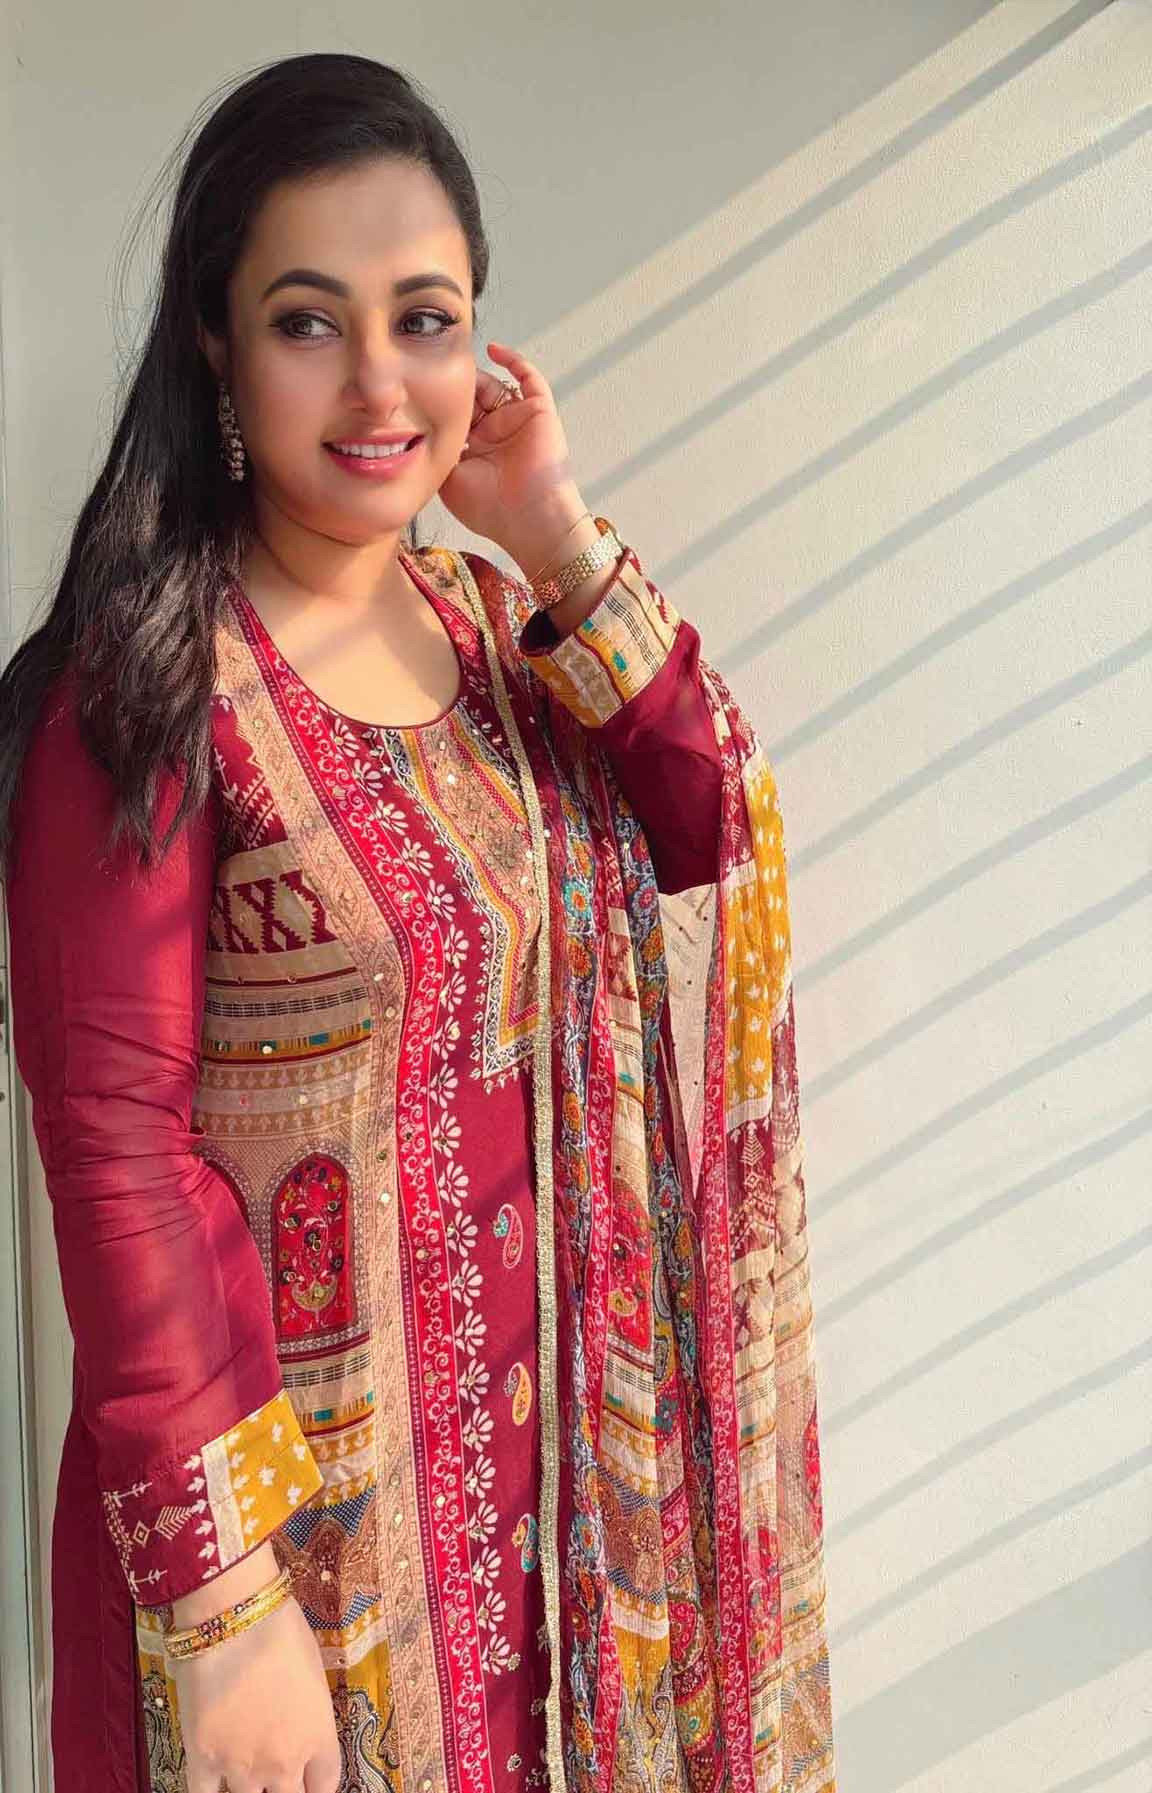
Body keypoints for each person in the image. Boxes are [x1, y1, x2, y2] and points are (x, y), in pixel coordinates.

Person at [0, 51, 835, 1793]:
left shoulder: (495, 633)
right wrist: (227, 1607)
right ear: (216, 346)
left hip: (553, 1546)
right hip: (287, 1576)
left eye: (427, 319)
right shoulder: (143, 688)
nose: (382, 382)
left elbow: (714, 826)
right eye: (310, 321)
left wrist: (550, 529)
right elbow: (113, 1144)